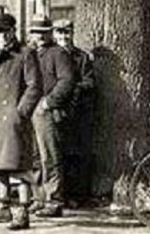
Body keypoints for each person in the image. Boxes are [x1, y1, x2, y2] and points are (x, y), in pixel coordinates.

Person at [0, 12, 41, 231]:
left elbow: (34, 86)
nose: (3, 37)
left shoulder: (25, 54)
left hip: (12, 118)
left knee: (18, 165)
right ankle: (4, 207)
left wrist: (20, 112)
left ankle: (23, 212)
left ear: (13, 31)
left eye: (6, 32)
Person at [27, 15, 75, 218]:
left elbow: (67, 81)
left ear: (50, 33)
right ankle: (38, 197)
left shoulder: (58, 54)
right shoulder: (30, 54)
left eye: (43, 33)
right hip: (30, 110)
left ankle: (54, 200)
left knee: (50, 157)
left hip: (47, 111)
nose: (39, 37)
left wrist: (48, 102)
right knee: (35, 157)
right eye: (35, 33)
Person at [53, 18, 95, 207]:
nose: (64, 36)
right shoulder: (51, 55)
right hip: (54, 109)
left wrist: (72, 88)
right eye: (60, 33)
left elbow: (89, 81)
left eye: (67, 32)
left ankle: (75, 195)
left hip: (75, 113)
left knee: (74, 154)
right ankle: (56, 194)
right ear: (55, 34)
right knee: (55, 154)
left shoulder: (81, 57)